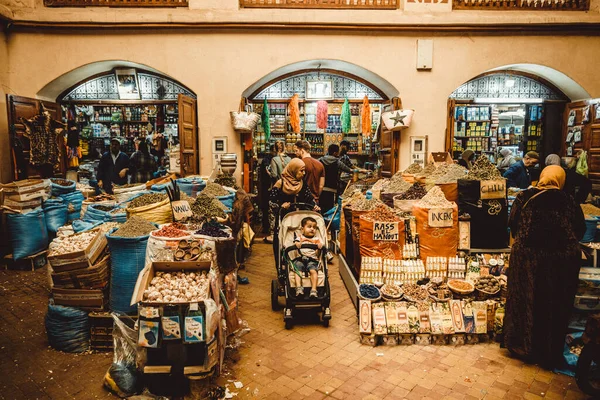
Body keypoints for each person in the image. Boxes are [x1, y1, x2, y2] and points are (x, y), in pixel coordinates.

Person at [504, 165, 585, 369]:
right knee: (553, 304)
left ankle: (523, 346)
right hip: (560, 264)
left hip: (528, 261)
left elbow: (512, 223)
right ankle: (547, 351)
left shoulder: (524, 197)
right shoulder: (569, 201)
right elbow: (580, 230)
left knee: (526, 301)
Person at [269, 158, 319, 260]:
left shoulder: (302, 184)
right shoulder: (280, 184)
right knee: (282, 243)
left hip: (300, 219)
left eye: (304, 170)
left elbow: (309, 198)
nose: (304, 173)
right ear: (293, 170)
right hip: (284, 219)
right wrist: (281, 206)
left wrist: (314, 206)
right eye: (301, 170)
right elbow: (271, 202)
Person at [292, 216, 323, 298]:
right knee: (297, 271)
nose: (312, 229)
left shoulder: (317, 239)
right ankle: (298, 287)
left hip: (312, 260)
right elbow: (296, 242)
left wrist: (319, 246)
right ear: (302, 229)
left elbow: (319, 248)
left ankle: (313, 290)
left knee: (313, 271)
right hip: (300, 259)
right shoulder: (300, 237)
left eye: (314, 227)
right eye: (309, 227)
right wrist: (297, 243)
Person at [319, 144, 353, 213]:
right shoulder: (337, 162)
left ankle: (322, 222)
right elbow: (349, 170)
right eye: (338, 152)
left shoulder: (320, 160)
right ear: (335, 153)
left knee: (321, 207)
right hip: (332, 189)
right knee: (330, 209)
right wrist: (362, 171)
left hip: (321, 188)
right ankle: (329, 222)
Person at [261, 144, 277, 243]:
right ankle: (270, 229)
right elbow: (271, 173)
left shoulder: (266, 160)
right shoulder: (271, 160)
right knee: (269, 209)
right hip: (269, 187)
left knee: (266, 208)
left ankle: (266, 228)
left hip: (265, 187)